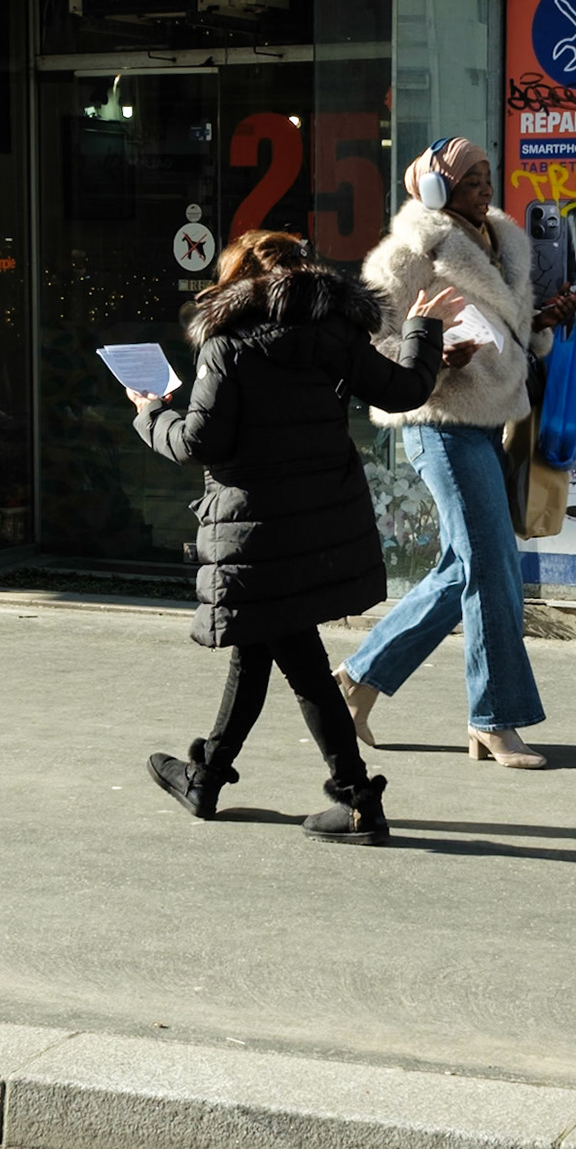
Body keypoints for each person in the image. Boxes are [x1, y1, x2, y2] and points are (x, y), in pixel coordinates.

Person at [127, 229, 460, 843]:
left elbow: (200, 443)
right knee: (261, 645)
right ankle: (207, 776)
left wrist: (151, 412)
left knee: (296, 660)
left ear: (235, 282)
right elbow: (407, 389)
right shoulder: (336, 334)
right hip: (319, 521)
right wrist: (420, 331)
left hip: (256, 530)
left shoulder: (227, 347)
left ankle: (358, 800)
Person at [334, 138, 576, 770]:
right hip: (436, 417)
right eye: (470, 179)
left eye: (488, 176)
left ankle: (357, 682)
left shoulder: (504, 245)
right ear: (436, 188)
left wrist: (545, 320)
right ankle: (495, 718)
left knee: (463, 567)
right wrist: (431, 355)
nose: (485, 188)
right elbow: (373, 342)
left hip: (492, 418)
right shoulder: (408, 252)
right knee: (494, 564)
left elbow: (513, 333)